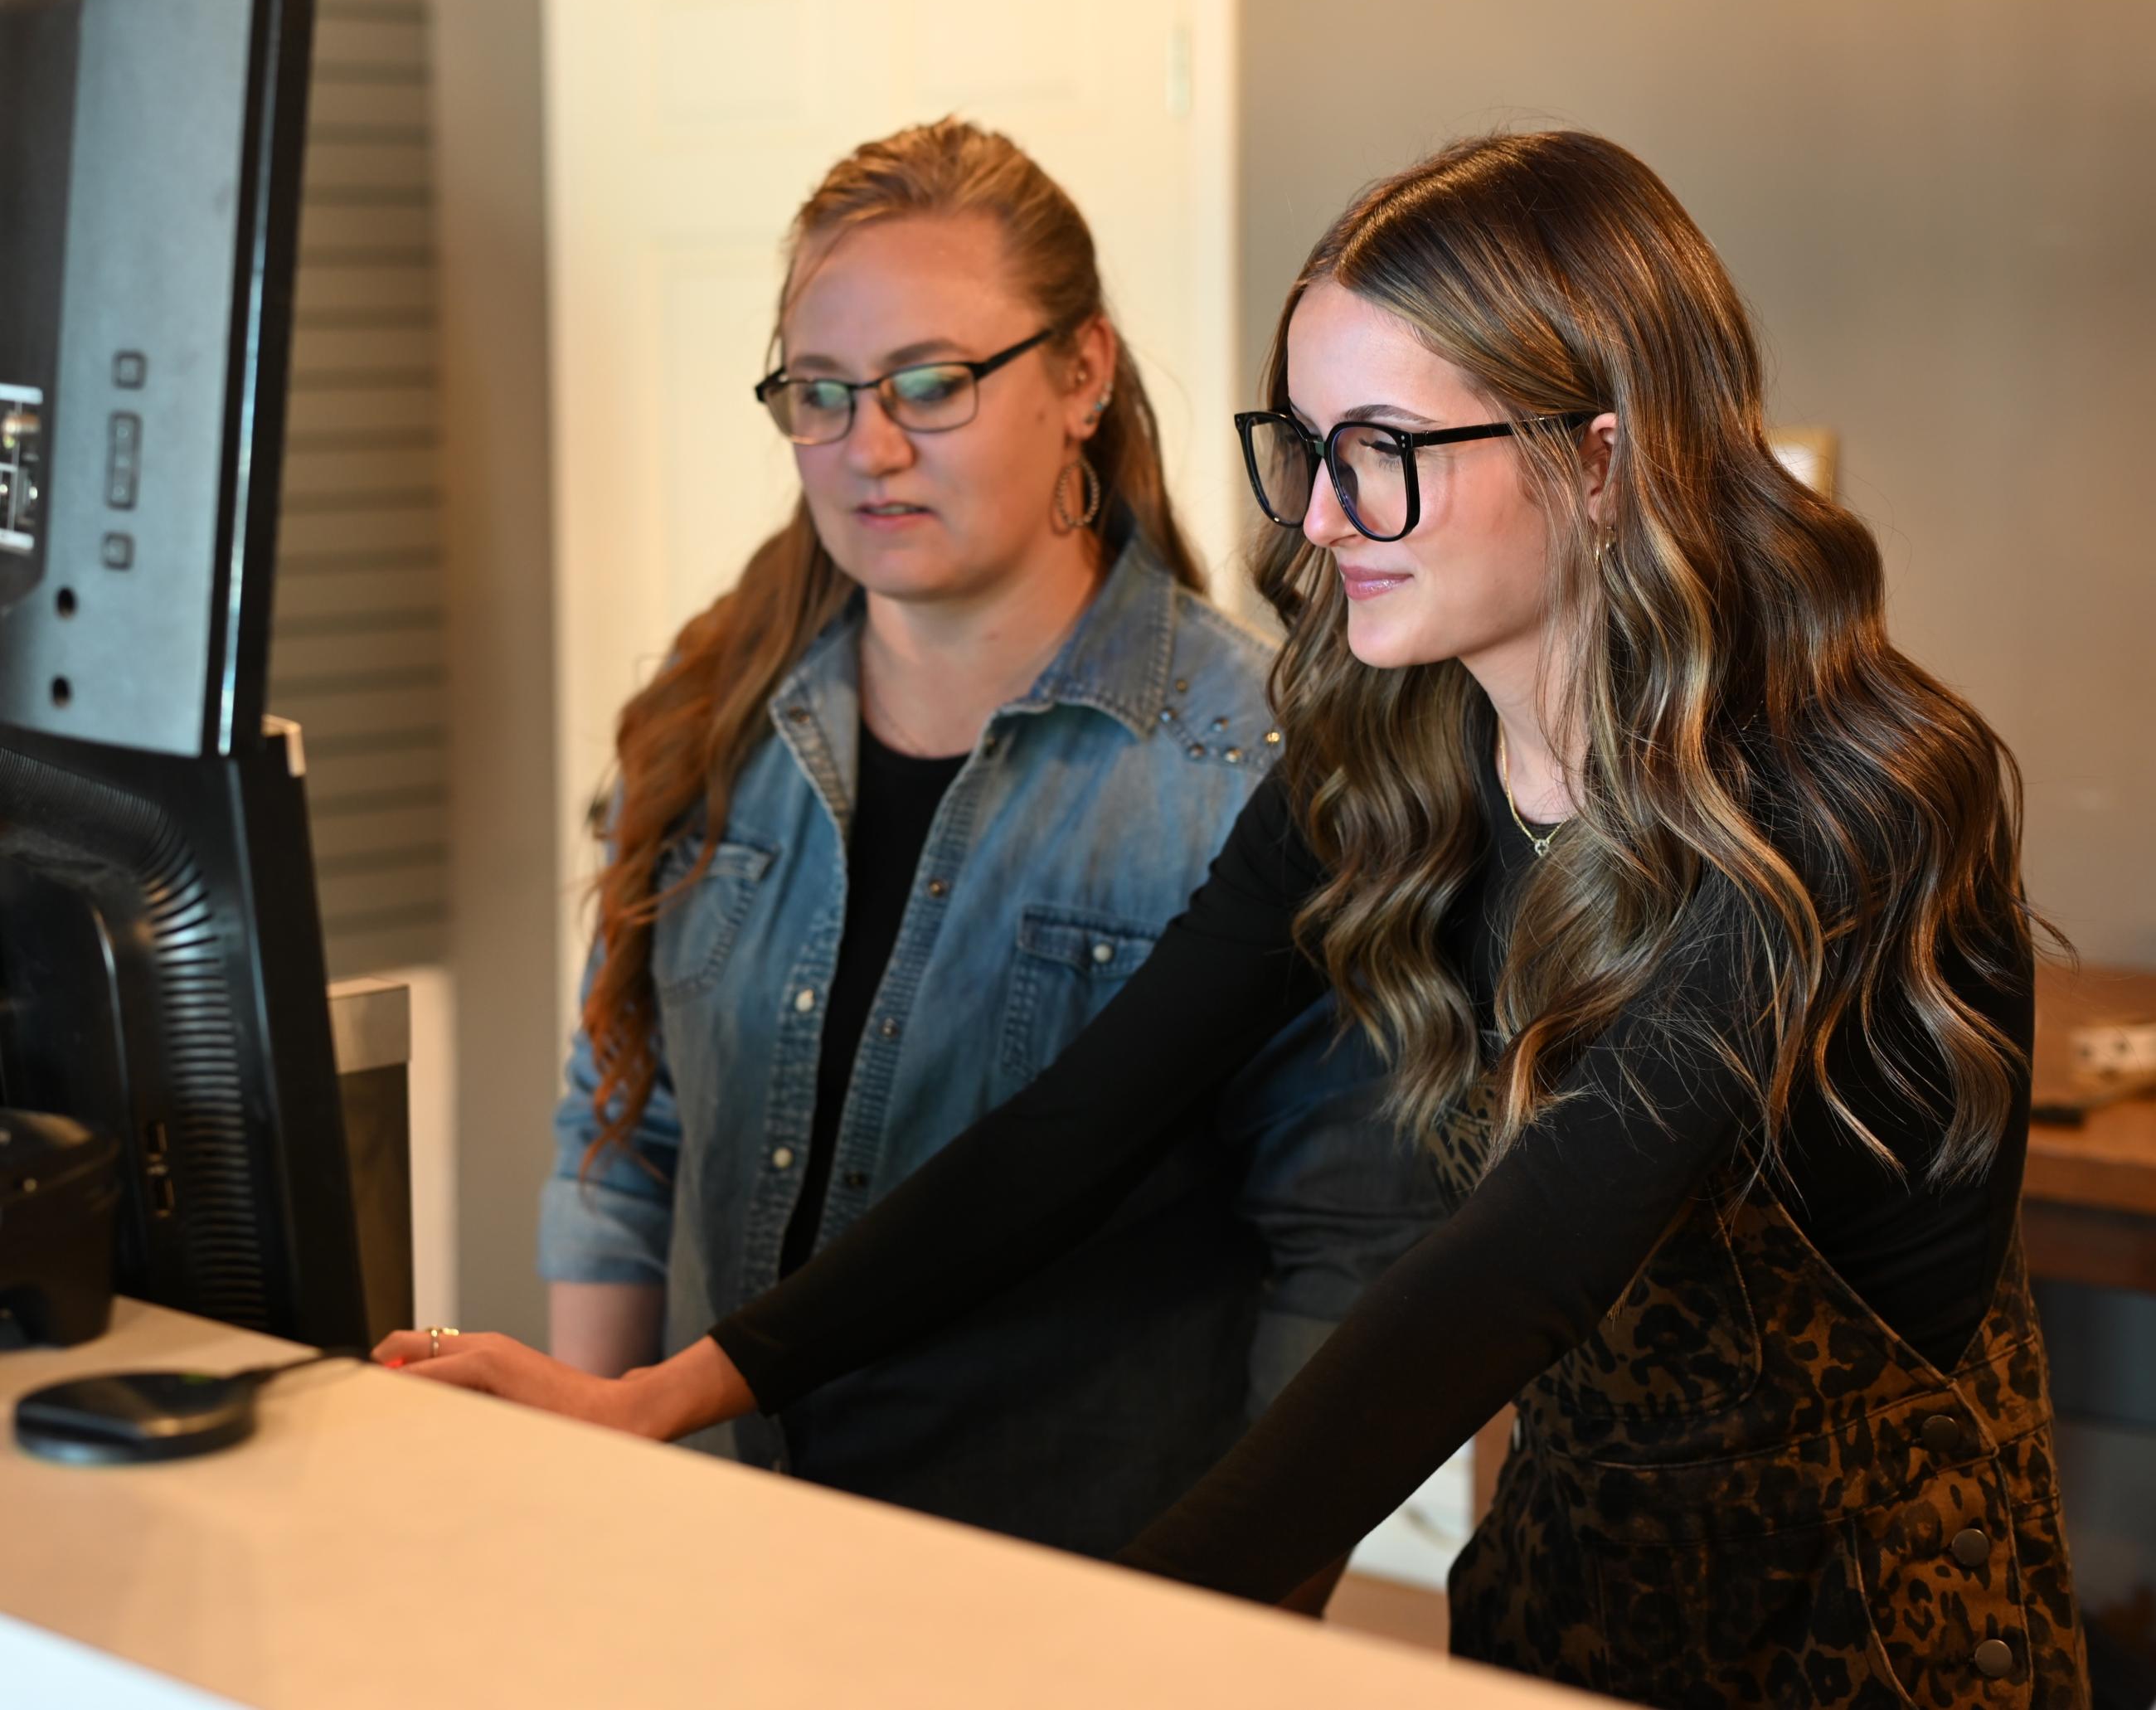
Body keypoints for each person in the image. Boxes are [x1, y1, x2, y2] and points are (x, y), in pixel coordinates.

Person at [381, 130, 2087, 1708]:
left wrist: (1144, 1634)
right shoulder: (1394, 743)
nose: (1323, 517)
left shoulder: (1845, 803)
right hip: (1575, 1571)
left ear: (1598, 460)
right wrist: (663, 1394)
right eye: (1310, 448)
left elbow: (1505, 1277)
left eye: (1387, 454)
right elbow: (1078, 1126)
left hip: (1872, 1618)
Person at [510, 118, 1436, 1562]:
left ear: (1083, 376)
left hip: (1070, 1603)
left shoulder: (1253, 764)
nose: (870, 446)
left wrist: (1247, 1630)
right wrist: (596, 1460)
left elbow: (1345, 1254)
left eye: (932, 384)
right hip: (708, 1562)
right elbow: (622, 1133)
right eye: (821, 394)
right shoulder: (702, 727)